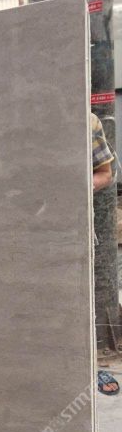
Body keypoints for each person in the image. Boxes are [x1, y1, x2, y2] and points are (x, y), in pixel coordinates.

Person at [91, 113, 120, 396]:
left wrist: (74, 190)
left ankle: (86, 366)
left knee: (77, 304)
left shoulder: (88, 122)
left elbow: (105, 174)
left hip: (68, 236)